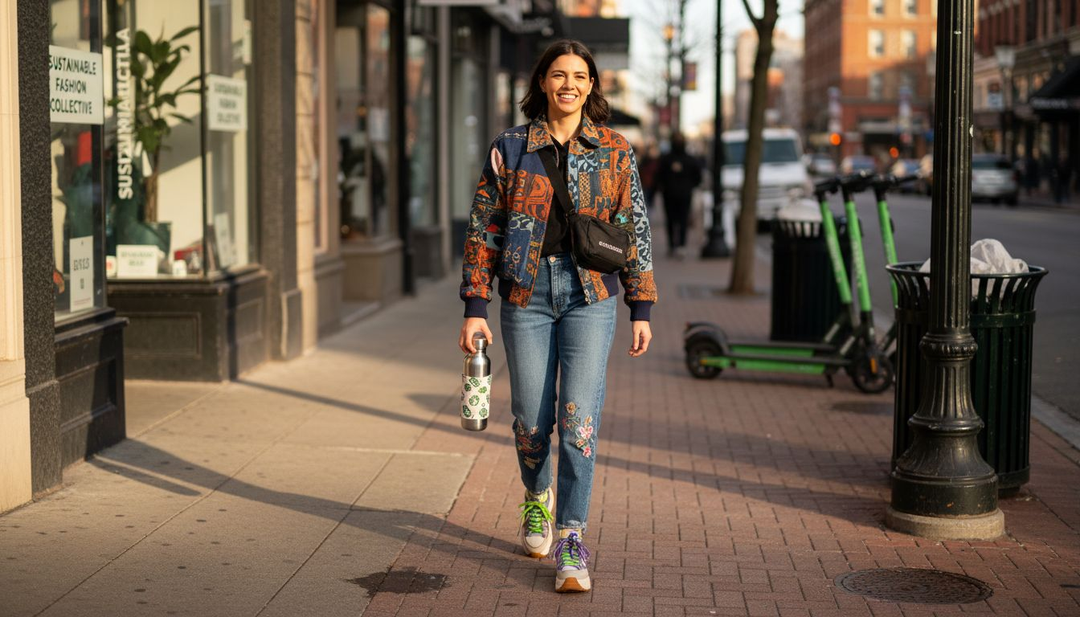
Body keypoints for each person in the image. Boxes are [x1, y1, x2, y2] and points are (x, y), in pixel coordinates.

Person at [458, 39, 657, 593]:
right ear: (542, 82)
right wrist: (476, 306)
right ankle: (536, 496)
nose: (569, 84)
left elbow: (634, 227)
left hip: (591, 295)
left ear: (592, 85)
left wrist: (641, 304)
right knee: (529, 420)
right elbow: (484, 229)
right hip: (526, 295)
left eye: (580, 75)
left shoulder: (615, 150)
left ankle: (572, 539)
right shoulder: (511, 147)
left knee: (579, 421)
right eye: (558, 74)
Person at [655, 132, 703, 258]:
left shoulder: (668, 159)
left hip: (677, 194)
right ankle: (677, 246)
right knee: (678, 220)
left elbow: (659, 176)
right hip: (677, 194)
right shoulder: (671, 159)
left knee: (677, 221)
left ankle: (676, 246)